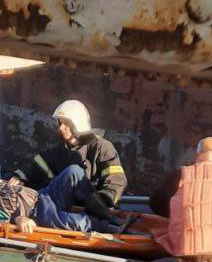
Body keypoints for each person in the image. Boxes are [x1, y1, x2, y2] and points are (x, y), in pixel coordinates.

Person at [11, 99, 129, 234]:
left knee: (75, 174)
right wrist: (19, 176)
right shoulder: (57, 152)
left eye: (66, 123)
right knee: (73, 173)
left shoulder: (102, 148)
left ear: (78, 123)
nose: (61, 128)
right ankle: (105, 224)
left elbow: (116, 180)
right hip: (63, 207)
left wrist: (102, 201)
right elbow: (34, 167)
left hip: (94, 209)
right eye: (60, 123)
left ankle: (107, 221)